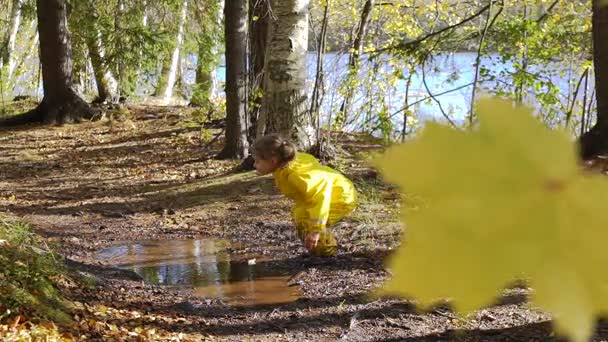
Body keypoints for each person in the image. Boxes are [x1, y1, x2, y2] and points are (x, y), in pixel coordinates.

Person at [253, 133, 358, 257]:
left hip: (341, 196)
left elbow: (320, 197)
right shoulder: (283, 166)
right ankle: (316, 249)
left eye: (257, 161)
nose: (254, 165)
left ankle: (326, 253)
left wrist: (316, 230)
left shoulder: (297, 175)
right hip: (326, 193)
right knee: (299, 216)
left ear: (272, 161)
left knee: (310, 223)